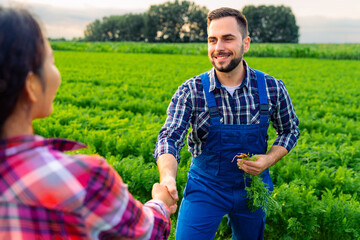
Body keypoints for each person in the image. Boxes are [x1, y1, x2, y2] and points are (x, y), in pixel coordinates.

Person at [0, 7, 175, 240]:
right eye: (51, 60)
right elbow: (146, 232)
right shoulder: (83, 179)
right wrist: (160, 203)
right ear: (30, 85)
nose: (56, 72)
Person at [154, 7, 300, 240]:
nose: (218, 47)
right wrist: (168, 177)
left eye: (228, 39)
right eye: (213, 40)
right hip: (205, 188)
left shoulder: (272, 88)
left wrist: (269, 159)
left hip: (254, 189)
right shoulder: (191, 91)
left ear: (246, 43)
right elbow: (169, 138)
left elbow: (289, 130)